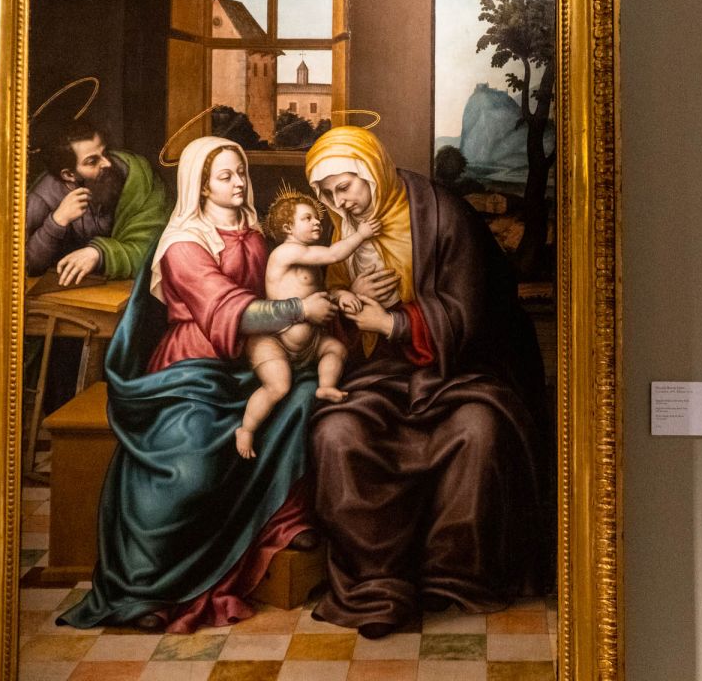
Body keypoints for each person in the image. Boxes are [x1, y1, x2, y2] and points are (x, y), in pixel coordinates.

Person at [58, 136, 335, 632]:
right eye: (225, 176)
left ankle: (281, 521)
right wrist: (299, 309)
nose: (238, 182)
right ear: (200, 185)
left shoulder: (253, 231)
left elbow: (276, 286)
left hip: (248, 360)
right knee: (191, 465)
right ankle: (146, 585)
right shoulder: (183, 244)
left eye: (240, 172)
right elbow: (227, 309)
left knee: (301, 399)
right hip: (190, 370)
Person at [304, 126, 552, 639]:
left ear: (372, 170)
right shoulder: (343, 231)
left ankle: (450, 576)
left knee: (479, 430)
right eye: (327, 194)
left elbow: (471, 313)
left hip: (456, 371)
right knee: (336, 435)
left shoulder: (444, 215)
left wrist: (393, 322)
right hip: (378, 377)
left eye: (344, 186)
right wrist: (350, 298)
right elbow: (336, 325)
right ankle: (376, 585)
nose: (339, 202)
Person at [235, 192, 381, 459]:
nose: (316, 223)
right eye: (307, 218)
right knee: (278, 386)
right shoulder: (286, 252)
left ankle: (325, 386)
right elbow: (333, 254)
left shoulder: (309, 261)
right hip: (274, 341)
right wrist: (361, 234)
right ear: (288, 228)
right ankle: (246, 429)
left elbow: (320, 294)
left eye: (317, 218)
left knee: (336, 349)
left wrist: (341, 295)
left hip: (309, 344)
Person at [26, 120, 170, 284]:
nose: (107, 163)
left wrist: (99, 253)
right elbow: (26, 265)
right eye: (92, 161)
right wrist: (57, 220)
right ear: (69, 175)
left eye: (105, 153)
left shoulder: (138, 178)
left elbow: (156, 250)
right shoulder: (42, 198)